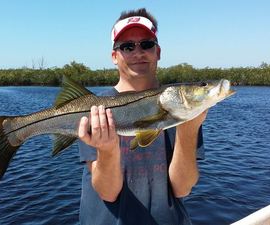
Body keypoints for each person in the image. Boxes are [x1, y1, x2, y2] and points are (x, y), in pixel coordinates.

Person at [77, 8, 207, 225]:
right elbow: (108, 193)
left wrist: (188, 129)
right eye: (127, 46)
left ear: (158, 51)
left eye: (146, 44)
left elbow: (182, 188)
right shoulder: (95, 110)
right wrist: (107, 151)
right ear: (114, 57)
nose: (138, 52)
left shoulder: (179, 104)